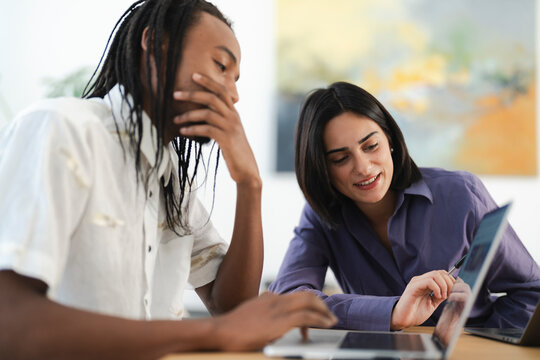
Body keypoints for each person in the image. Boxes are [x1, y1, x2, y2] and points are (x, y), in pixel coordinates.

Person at [0, 1, 337, 359]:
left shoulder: (171, 180)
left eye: (236, 80)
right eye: (221, 66)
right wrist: (214, 332)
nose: (233, 94)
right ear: (157, 44)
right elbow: (9, 322)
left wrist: (249, 184)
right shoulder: (63, 128)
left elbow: (230, 307)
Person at [269, 81, 540, 331]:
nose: (363, 168)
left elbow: (531, 291)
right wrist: (392, 312)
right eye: (340, 158)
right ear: (322, 169)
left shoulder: (461, 194)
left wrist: (481, 341)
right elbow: (288, 300)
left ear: (389, 140)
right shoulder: (321, 214)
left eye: (371, 145)